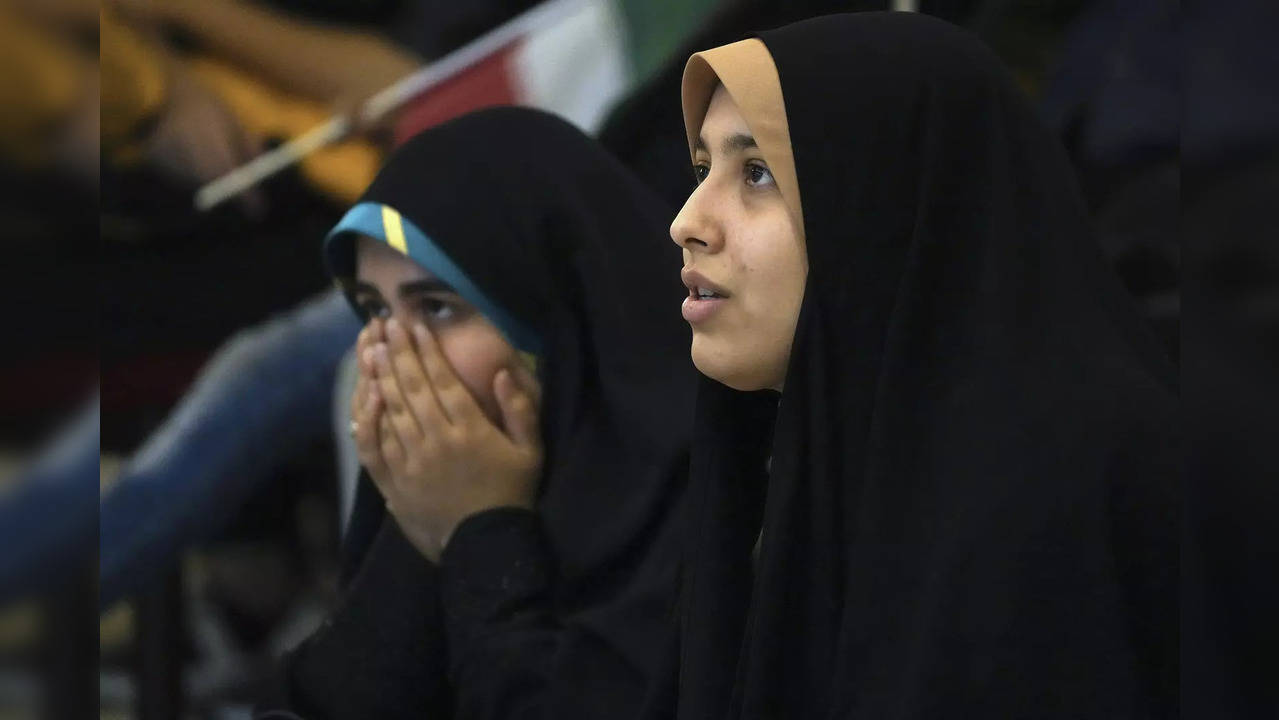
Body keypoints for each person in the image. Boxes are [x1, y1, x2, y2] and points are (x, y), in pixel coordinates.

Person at [663, 12, 1178, 719]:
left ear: (885, 198)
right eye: (701, 169)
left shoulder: (1070, 480)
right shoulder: (800, 473)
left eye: (756, 172)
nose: (687, 220)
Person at [257, 107, 696, 719]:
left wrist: (482, 532)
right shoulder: (445, 476)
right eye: (374, 310)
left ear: (554, 315)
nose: (393, 356)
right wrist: (429, 530)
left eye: (436, 308)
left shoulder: (713, 509)